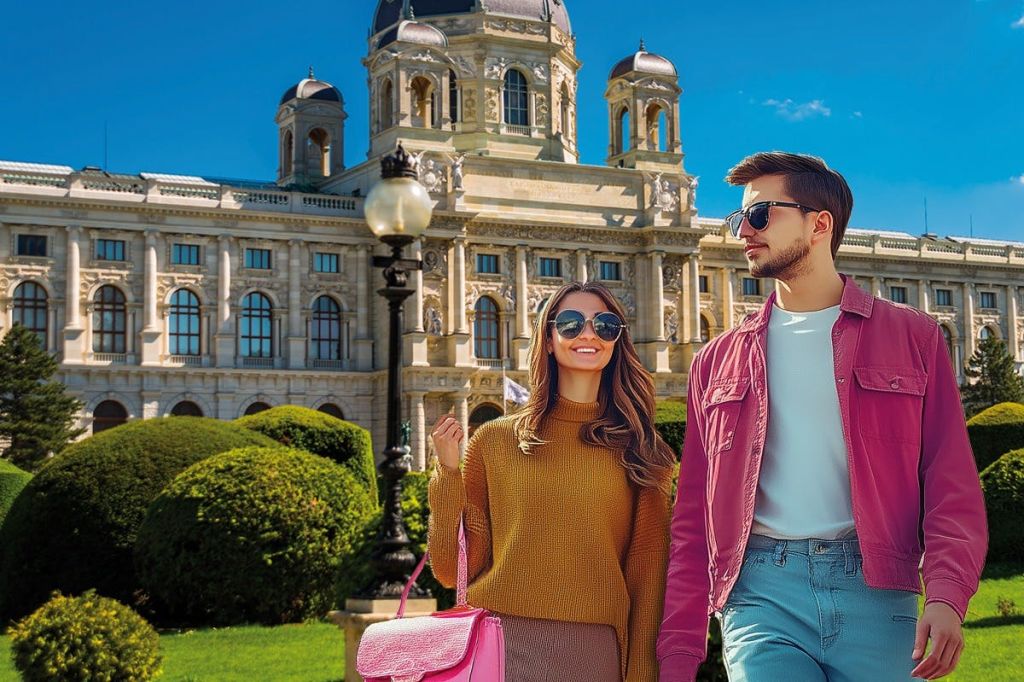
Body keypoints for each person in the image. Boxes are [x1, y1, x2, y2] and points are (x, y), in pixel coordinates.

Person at [657, 152, 987, 682]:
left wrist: (947, 595)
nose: (744, 231)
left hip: (878, 588)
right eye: (739, 218)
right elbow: (694, 512)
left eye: (761, 214)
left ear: (819, 224)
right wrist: (679, 647)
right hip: (760, 594)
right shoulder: (715, 361)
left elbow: (950, 484)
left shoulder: (912, 337)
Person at [428, 281, 675, 681]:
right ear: (547, 338)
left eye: (605, 325)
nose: (589, 334)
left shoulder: (640, 449)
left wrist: (642, 673)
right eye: (572, 323)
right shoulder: (494, 440)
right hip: (500, 646)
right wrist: (448, 476)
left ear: (617, 341)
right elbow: (449, 569)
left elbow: (648, 579)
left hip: (595, 654)